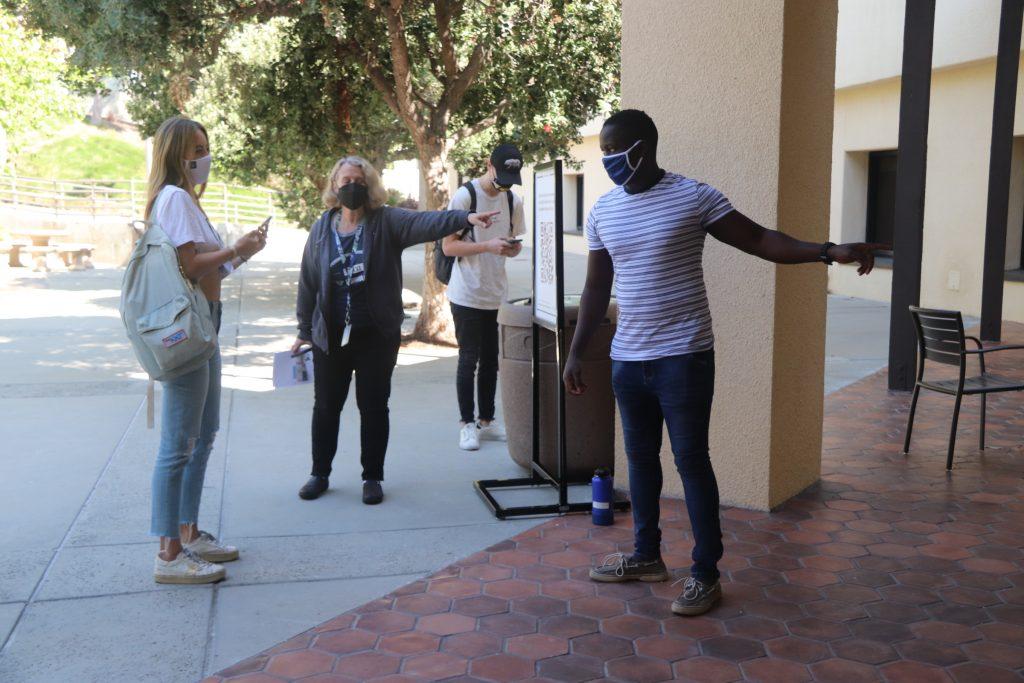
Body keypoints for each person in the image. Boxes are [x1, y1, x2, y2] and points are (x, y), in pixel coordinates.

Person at [564, 109, 887, 616]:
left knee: (692, 461)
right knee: (641, 461)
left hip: (685, 357)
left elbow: (760, 240)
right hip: (628, 359)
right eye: (602, 152)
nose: (607, 160)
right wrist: (577, 349)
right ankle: (647, 556)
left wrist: (827, 251)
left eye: (614, 150)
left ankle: (704, 572)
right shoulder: (603, 211)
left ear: (643, 147)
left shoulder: (694, 196)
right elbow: (595, 286)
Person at [293, 156, 499, 504]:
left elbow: (426, 222)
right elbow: (308, 282)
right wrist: (303, 328)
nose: (351, 187)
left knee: (374, 407)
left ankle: (372, 477)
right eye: (345, 181)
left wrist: (464, 217)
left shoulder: (386, 221)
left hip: (375, 336)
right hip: (329, 335)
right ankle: (319, 473)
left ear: (370, 186)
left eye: (358, 180)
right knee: (326, 406)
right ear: (333, 186)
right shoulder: (321, 228)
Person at [146, 116, 267, 584]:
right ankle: (169, 554)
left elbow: (207, 269)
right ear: (176, 153)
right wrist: (231, 249)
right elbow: (189, 264)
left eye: (206, 146)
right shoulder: (175, 198)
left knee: (203, 435)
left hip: (206, 324)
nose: (204, 157)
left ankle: (189, 534)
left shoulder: (186, 202)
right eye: (195, 148)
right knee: (179, 444)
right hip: (190, 329)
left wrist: (240, 254)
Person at [443, 144, 526, 451]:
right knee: (469, 359)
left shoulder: (513, 199)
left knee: (492, 360)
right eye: (501, 174)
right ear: (489, 165)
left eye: (511, 177)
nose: (505, 182)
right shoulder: (466, 196)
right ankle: (466, 424)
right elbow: (449, 246)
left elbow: (515, 245)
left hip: (496, 292)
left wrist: (510, 247)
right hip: (466, 291)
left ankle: (487, 421)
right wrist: (487, 246)